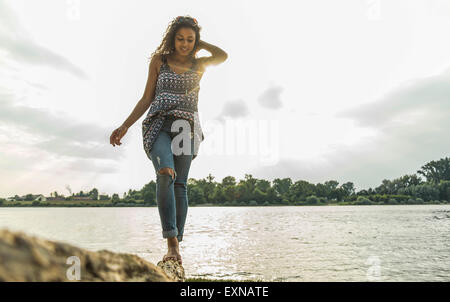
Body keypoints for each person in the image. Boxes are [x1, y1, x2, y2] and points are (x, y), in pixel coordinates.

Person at [109, 15, 227, 265]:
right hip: (159, 124)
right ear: (172, 38)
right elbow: (146, 98)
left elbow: (223, 56)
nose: (184, 44)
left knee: (180, 185)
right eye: (180, 38)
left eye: (190, 40)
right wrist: (125, 125)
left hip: (186, 128)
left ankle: (175, 248)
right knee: (166, 173)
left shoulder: (200, 64)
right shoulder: (159, 61)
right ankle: (172, 243)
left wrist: (200, 42)